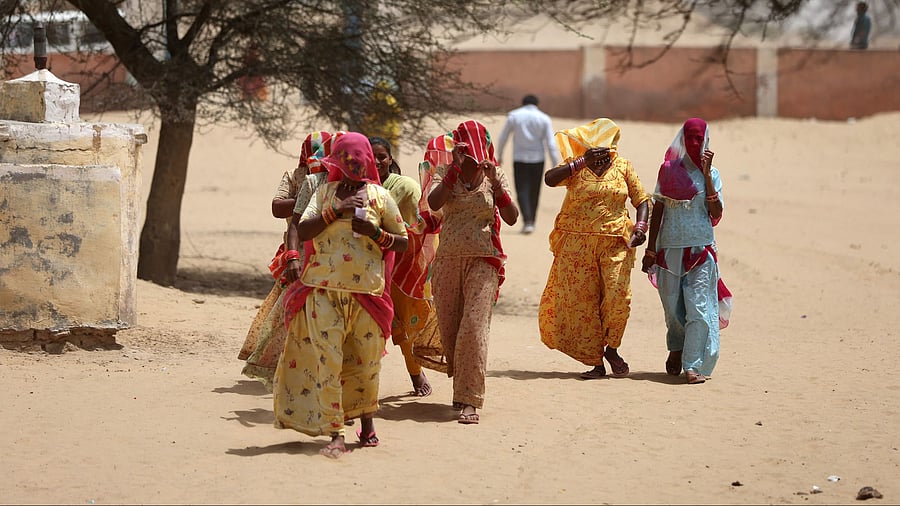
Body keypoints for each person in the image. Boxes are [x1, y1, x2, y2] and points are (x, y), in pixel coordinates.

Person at [273, 132, 408, 458]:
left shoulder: (380, 197)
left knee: (364, 363)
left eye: (356, 161)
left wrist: (375, 233)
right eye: (345, 161)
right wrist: (337, 211)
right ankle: (336, 431)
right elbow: (302, 229)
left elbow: (402, 241)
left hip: (368, 295)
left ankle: (367, 421)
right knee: (328, 360)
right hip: (324, 292)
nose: (352, 167)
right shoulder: (323, 193)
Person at [538, 118, 650, 379]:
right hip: (577, 245)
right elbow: (549, 179)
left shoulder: (623, 166)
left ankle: (612, 347)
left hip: (615, 242)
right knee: (583, 304)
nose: (604, 151)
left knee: (618, 297)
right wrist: (581, 162)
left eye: (607, 145)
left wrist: (641, 227)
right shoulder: (576, 166)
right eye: (598, 147)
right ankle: (595, 361)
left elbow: (641, 199)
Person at [427, 119, 519, 424]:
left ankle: (470, 399)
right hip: (448, 261)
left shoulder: (495, 175)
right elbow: (433, 203)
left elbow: (512, 217)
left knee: (474, 329)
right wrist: (454, 168)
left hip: (484, 259)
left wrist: (495, 184)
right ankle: (461, 386)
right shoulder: (445, 173)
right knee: (451, 330)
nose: (472, 156)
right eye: (465, 148)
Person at [640, 118, 733, 385]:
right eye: (690, 138)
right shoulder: (668, 171)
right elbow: (658, 209)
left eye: (699, 139)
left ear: (706, 143)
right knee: (673, 308)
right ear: (682, 140)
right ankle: (677, 346)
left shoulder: (713, 175)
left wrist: (706, 175)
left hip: (700, 250)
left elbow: (716, 213)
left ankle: (692, 364)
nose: (694, 144)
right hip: (669, 250)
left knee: (699, 308)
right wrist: (650, 248)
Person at [237, 131, 331, 390]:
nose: (317, 158)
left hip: (329, 253)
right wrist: (308, 198)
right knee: (288, 311)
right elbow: (277, 208)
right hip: (297, 251)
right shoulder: (295, 176)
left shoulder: (337, 179)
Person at [369, 136, 434, 396]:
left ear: (390, 159)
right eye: (370, 157)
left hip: (401, 268)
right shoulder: (355, 188)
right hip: (365, 268)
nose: (376, 162)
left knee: (405, 324)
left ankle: (416, 374)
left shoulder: (405, 187)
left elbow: (423, 222)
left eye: (381, 156)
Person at [495, 94, 560, 235]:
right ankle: (532, 221)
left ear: (523, 103)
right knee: (535, 191)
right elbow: (551, 142)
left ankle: (527, 221)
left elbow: (503, 137)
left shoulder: (514, 116)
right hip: (538, 159)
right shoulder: (544, 118)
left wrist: (499, 155)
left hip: (520, 158)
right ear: (537, 104)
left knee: (521, 189)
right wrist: (555, 163)